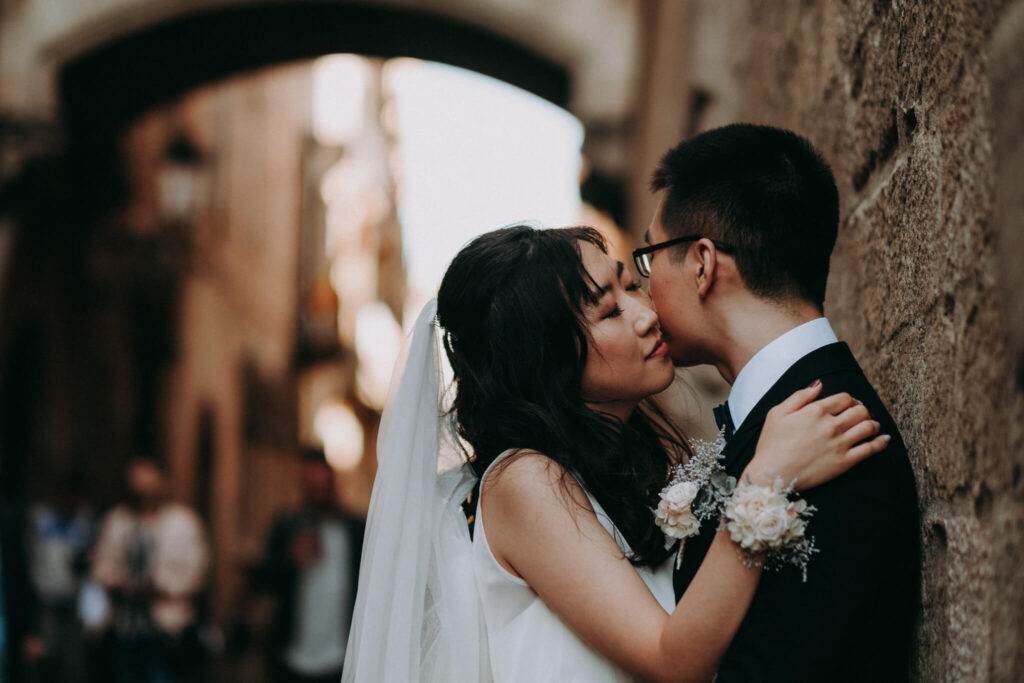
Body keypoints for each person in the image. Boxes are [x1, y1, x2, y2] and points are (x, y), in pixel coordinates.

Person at [344, 224, 891, 682]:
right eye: (609, 312)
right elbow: (671, 660)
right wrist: (765, 481)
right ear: (547, 360)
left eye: (631, 286)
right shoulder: (522, 480)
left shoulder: (627, 467)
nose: (645, 314)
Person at [640, 123, 920, 681]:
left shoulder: (836, 436)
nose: (646, 290)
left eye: (650, 258)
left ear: (702, 263)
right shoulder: (787, 421)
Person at [91, 457, 210, 683]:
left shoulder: (183, 523)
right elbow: (101, 563)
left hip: (167, 625)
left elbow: (197, 572)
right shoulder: (118, 520)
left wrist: (161, 586)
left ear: (163, 485)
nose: (144, 496)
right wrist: (119, 583)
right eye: (138, 490)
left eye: (149, 489)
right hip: (123, 626)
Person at [253, 449, 363, 683]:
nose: (318, 490)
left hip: (341, 657)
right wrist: (290, 558)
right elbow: (262, 582)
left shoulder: (355, 529)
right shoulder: (287, 526)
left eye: (322, 484)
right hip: (293, 657)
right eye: (311, 486)